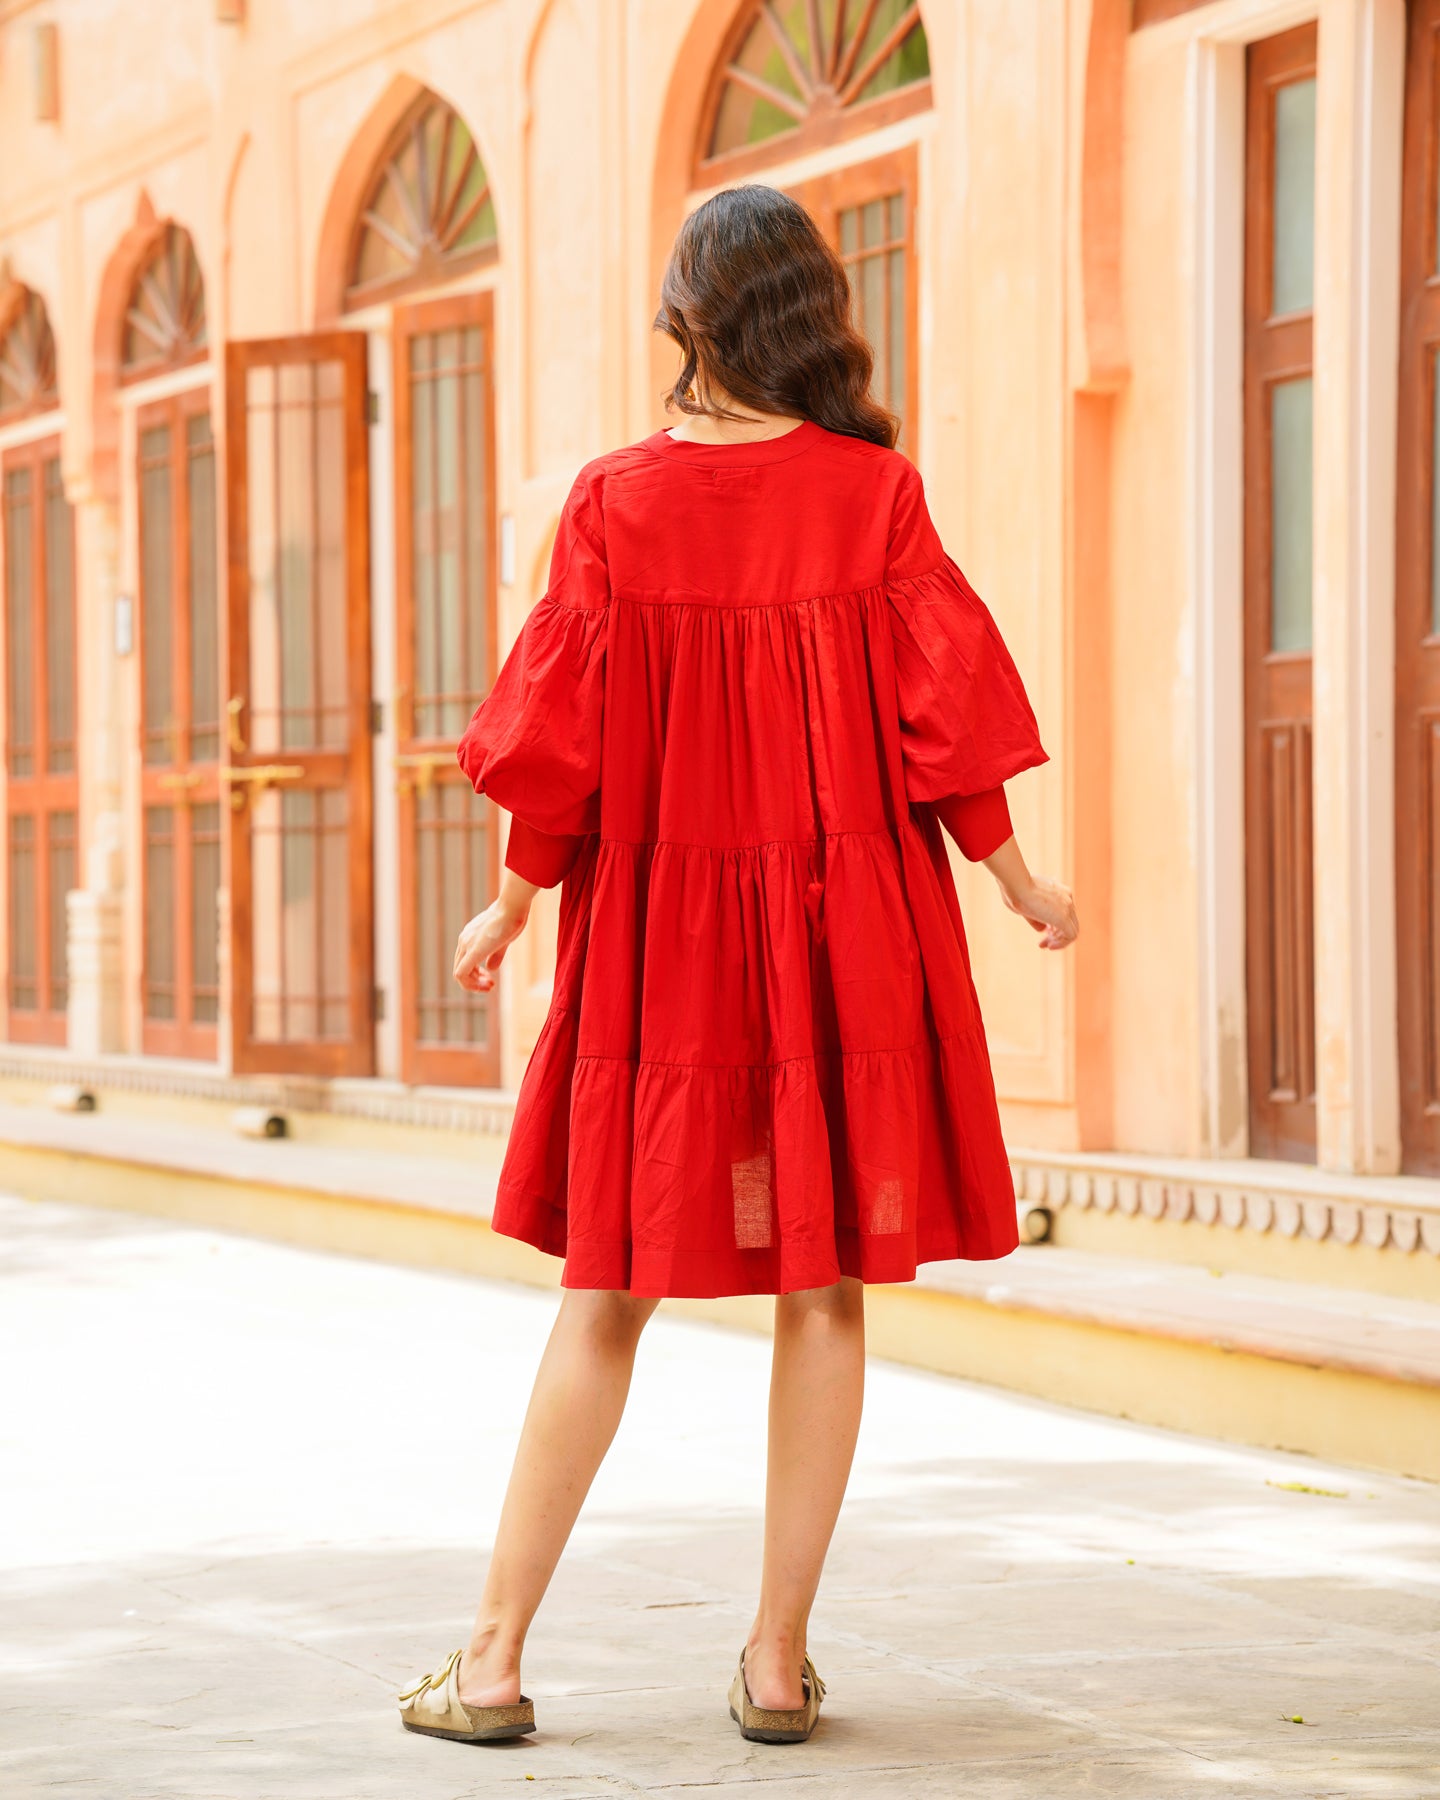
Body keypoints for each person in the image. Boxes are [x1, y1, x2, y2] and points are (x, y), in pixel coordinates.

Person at [397, 183, 1078, 1750]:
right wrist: (1022, 883)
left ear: (689, 317)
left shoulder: (612, 506)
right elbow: (947, 728)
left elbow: (558, 760)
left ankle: (491, 1662)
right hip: (850, 943)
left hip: (663, 952)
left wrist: (515, 911)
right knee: (825, 1290)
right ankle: (777, 1662)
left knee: (607, 1294)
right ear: (809, 316)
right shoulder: (874, 495)